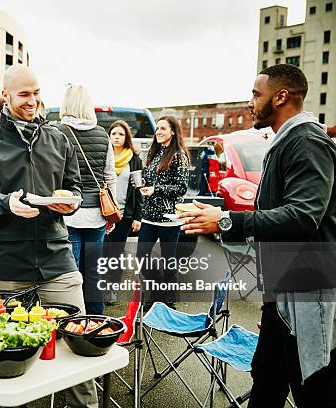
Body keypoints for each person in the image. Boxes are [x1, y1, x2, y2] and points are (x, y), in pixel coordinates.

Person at [180, 64, 336, 407]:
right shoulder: (287, 140)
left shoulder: (307, 141)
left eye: (255, 94)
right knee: (267, 381)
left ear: (280, 97)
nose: (250, 102)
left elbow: (302, 217)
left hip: (305, 295)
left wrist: (226, 220)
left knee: (314, 390)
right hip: (280, 295)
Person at [0, 64, 98, 408]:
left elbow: (74, 186)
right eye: (24, 94)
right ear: (6, 95)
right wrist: (6, 203)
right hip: (7, 264)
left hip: (57, 258)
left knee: (76, 355)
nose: (32, 100)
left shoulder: (59, 138)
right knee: (6, 360)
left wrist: (72, 201)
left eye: (36, 93)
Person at [55, 84, 116, 315]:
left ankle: (73, 320)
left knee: (71, 273)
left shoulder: (58, 132)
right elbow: (110, 176)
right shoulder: (102, 134)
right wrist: (112, 212)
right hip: (97, 215)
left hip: (68, 212)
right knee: (93, 271)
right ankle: (97, 320)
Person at [137, 115, 189, 309]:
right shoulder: (155, 152)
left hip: (169, 218)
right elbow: (151, 179)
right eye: (157, 128)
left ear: (173, 132)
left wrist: (156, 189)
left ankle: (169, 301)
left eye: (163, 129)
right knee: (142, 257)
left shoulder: (179, 155)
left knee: (169, 261)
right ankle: (156, 289)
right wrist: (145, 184)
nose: (158, 132)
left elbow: (181, 188)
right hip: (150, 216)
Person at [104, 120, 144, 305]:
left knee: (116, 253)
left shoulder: (134, 160)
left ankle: (112, 288)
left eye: (120, 134)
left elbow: (138, 190)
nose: (117, 137)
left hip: (124, 216)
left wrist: (138, 216)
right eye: (114, 134)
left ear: (126, 137)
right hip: (105, 213)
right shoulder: (104, 156)